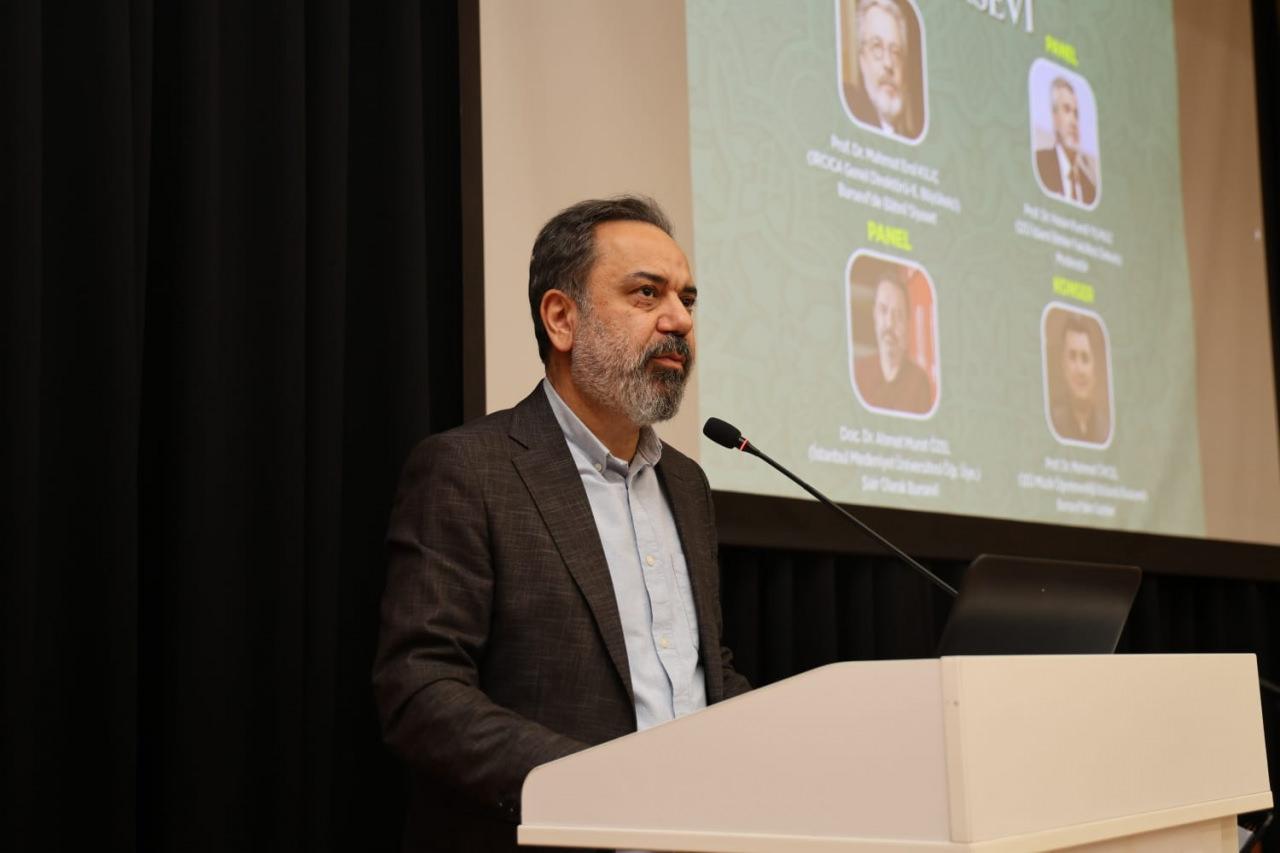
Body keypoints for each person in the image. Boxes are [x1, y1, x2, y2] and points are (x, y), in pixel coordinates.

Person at [373, 196, 752, 852]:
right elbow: (421, 689)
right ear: (561, 318)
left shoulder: (687, 484)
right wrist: (594, 786)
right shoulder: (468, 470)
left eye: (687, 298)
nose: (680, 320)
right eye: (647, 293)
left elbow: (701, 669)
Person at [854, 274, 933, 414]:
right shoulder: (859, 373)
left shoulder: (919, 383)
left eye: (898, 315)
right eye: (883, 310)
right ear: (874, 316)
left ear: (907, 325)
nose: (890, 323)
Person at [844, 0, 918, 139]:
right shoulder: (845, 113)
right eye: (877, 46)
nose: (888, 63)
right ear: (862, 59)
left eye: (895, 52)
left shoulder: (912, 140)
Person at [1034, 77, 1098, 206]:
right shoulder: (1039, 163)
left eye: (1076, 114)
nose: (1074, 122)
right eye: (1067, 110)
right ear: (1054, 117)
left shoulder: (1090, 189)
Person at [1050, 315, 1108, 444]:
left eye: (1085, 358)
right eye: (1072, 357)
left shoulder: (1105, 429)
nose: (1080, 370)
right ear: (1063, 365)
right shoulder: (1052, 421)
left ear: (1094, 367)